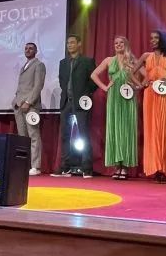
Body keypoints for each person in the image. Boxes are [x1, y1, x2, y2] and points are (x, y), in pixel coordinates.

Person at [131, 30, 166, 184]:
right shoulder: (146, 56)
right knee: (152, 132)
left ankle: (165, 169)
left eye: (156, 38)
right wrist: (140, 85)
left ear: (162, 40)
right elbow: (131, 73)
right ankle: (155, 169)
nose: (152, 40)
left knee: (165, 132)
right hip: (150, 95)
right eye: (151, 38)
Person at [90, 36, 138, 180]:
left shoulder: (132, 60)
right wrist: (105, 87)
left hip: (128, 98)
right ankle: (117, 166)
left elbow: (144, 75)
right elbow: (93, 75)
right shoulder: (108, 60)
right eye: (116, 43)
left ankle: (125, 167)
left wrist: (136, 85)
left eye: (121, 42)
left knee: (127, 129)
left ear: (126, 44)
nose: (118, 45)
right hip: (114, 98)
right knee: (115, 128)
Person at [52, 34, 97, 178]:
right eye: (68, 43)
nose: (69, 45)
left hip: (81, 102)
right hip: (66, 102)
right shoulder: (63, 62)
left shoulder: (87, 61)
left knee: (83, 134)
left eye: (72, 42)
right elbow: (62, 82)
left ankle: (86, 168)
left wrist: (85, 94)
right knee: (65, 135)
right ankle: (65, 167)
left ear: (79, 44)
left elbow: (93, 82)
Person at [13, 42, 46, 176]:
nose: (27, 50)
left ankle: (36, 166)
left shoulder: (39, 65)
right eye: (26, 48)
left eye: (31, 48)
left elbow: (38, 85)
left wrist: (28, 101)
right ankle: (23, 165)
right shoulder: (24, 66)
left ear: (36, 51)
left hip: (31, 106)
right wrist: (16, 100)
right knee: (22, 138)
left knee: (33, 136)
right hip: (19, 106)